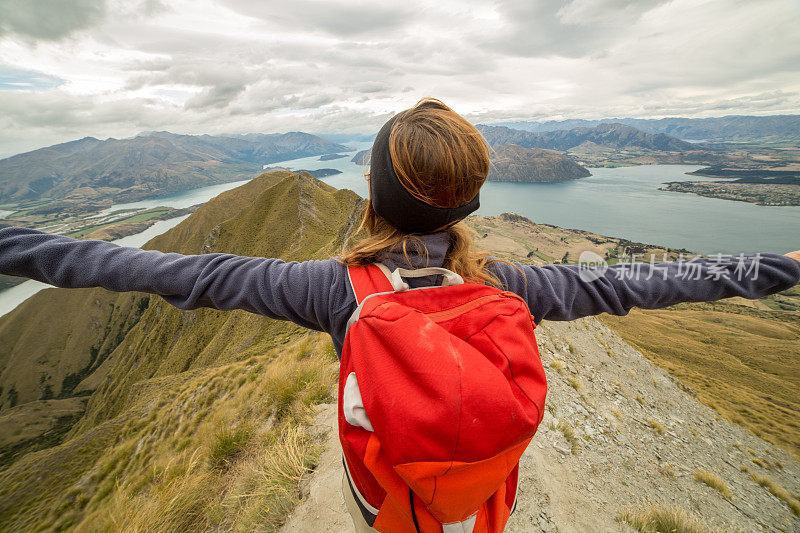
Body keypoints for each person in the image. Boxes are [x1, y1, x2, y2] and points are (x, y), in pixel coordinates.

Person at [0, 98, 798, 532]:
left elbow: (163, 269)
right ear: (469, 202)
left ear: (376, 194)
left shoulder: (330, 293)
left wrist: (17, 247)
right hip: (485, 496)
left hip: (382, 496)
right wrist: (777, 267)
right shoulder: (517, 288)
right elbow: (650, 283)